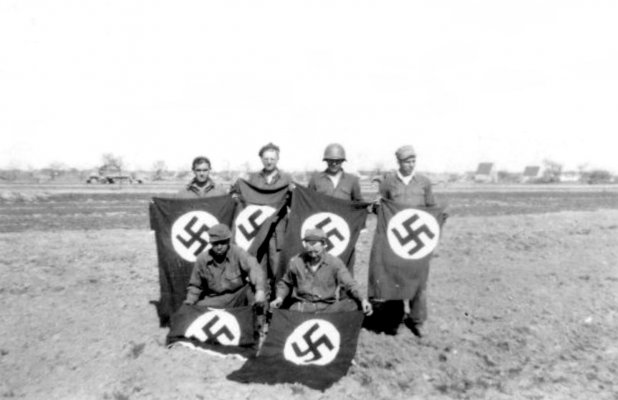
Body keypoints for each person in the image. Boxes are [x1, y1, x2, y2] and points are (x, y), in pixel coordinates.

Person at [375, 144, 440, 337]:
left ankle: (417, 320)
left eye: (413, 161)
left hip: (418, 240)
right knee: (395, 280)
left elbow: (431, 209)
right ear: (399, 162)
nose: (411, 165)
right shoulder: (388, 183)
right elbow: (382, 210)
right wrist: (378, 206)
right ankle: (394, 320)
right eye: (407, 161)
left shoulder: (423, 182)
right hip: (395, 240)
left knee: (418, 280)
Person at [230, 142, 294, 295]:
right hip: (256, 232)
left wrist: (294, 193)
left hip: (277, 233)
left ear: (278, 159)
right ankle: (261, 308)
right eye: (266, 158)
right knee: (258, 269)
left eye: (272, 158)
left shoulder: (286, 179)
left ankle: (276, 307)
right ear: (261, 159)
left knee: (277, 269)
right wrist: (235, 193)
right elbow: (238, 195)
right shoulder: (252, 179)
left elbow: (294, 204)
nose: (269, 161)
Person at [270, 228, 372, 315]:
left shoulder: (334, 262)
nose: (312, 251)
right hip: (302, 306)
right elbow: (285, 283)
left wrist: (363, 300)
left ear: (324, 245)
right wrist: (279, 298)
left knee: (352, 304)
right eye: (309, 247)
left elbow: (350, 283)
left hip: (327, 308)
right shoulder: (296, 261)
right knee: (284, 312)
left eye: (316, 249)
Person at [184, 224, 267, 308]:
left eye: (223, 243)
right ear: (211, 243)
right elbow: (195, 286)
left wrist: (260, 290)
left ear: (228, 241)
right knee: (197, 309)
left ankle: (260, 320)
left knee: (256, 291)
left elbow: (254, 268)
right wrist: (190, 302)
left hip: (238, 296)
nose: (219, 247)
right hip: (216, 300)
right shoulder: (202, 259)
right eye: (216, 243)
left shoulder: (238, 252)